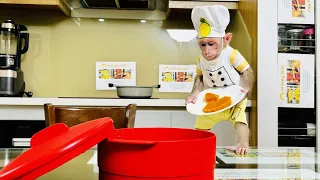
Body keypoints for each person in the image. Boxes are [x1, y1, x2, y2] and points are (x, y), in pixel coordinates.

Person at [186, 5, 254, 154]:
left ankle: (242, 144)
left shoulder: (231, 54)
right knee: (201, 122)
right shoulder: (201, 59)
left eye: (211, 44)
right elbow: (199, 77)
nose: (206, 51)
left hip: (234, 96)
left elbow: (246, 71)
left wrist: (246, 88)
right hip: (212, 96)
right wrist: (194, 93)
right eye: (202, 45)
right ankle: (198, 147)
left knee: (240, 120)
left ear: (226, 39)